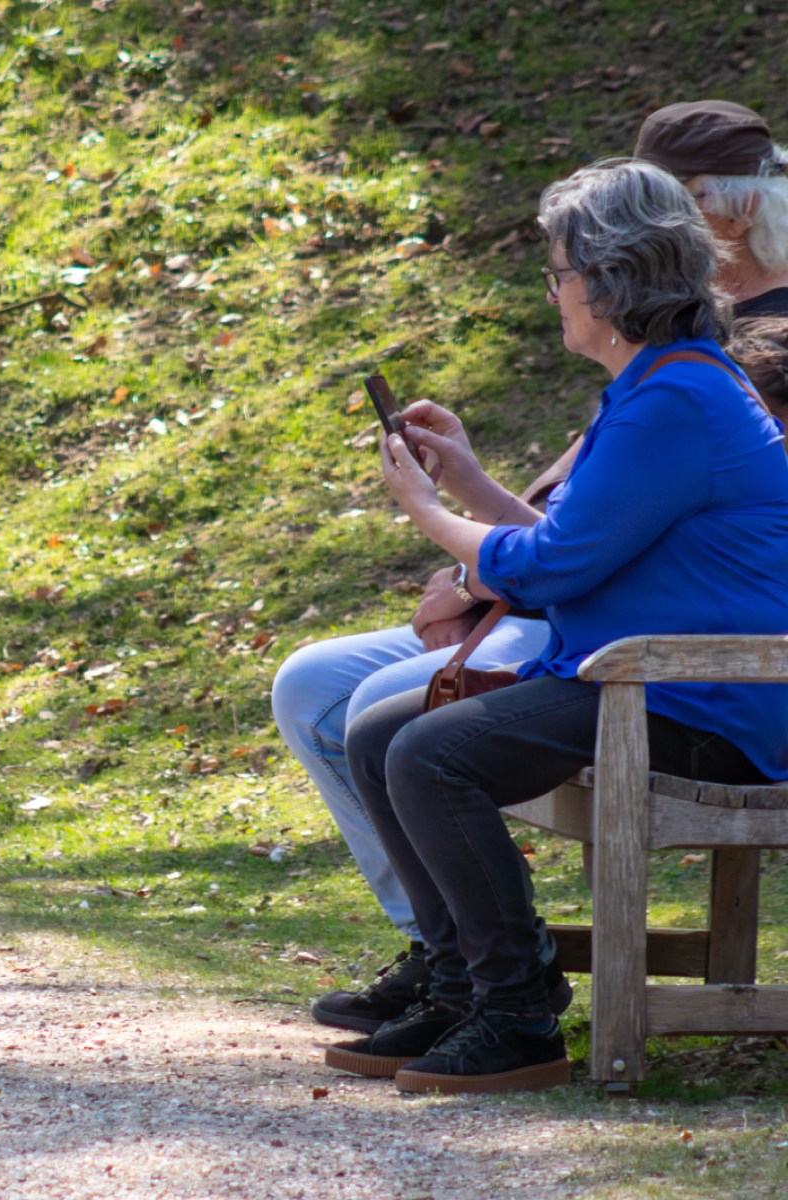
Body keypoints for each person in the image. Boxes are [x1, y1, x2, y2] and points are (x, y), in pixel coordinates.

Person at [272, 98, 788, 1038]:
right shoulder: (659, 385)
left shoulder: (676, 397)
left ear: (610, 281)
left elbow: (550, 566)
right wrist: (468, 480)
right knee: (381, 729)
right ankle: (461, 982)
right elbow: (579, 548)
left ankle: (515, 1010)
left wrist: (428, 513)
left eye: (558, 274)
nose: (551, 292)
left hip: (700, 699)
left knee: (429, 752)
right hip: (650, 678)